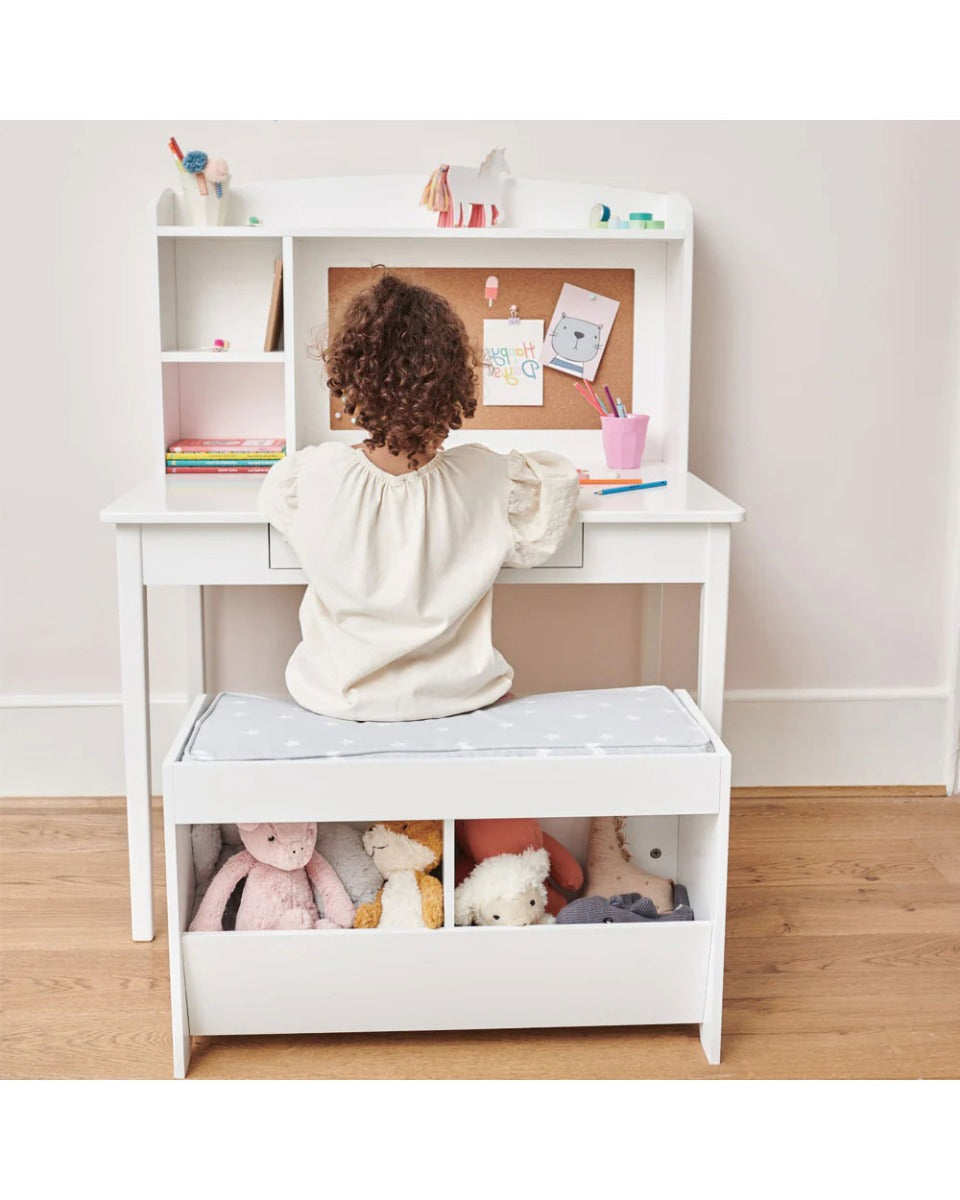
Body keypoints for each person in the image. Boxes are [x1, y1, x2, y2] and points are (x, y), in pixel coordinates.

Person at [259, 274, 579, 722]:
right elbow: (560, 485)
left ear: (352, 379)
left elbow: (274, 497)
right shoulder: (487, 476)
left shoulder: (313, 474)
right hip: (458, 697)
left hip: (337, 697)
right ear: (452, 382)